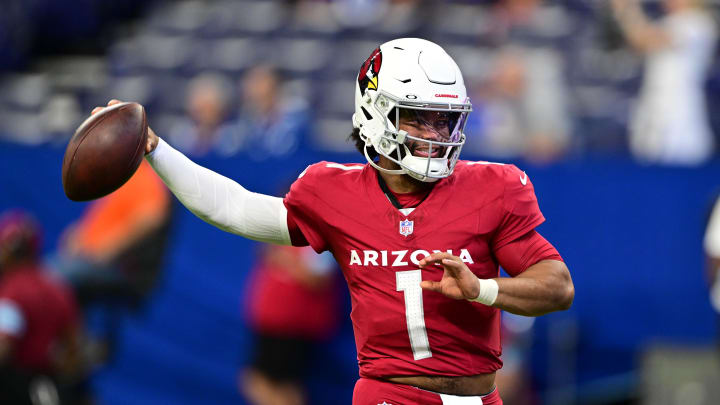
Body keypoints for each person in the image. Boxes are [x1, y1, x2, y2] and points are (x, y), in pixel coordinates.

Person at [93, 38, 574, 404]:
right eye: (419, 118)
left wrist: (484, 289)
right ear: (377, 113)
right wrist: (156, 150)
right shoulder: (332, 190)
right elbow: (235, 208)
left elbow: (557, 286)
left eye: (445, 121)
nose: (437, 135)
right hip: (390, 394)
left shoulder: (492, 187)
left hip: (479, 396)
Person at [611, 0, 718, 165]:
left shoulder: (698, 23)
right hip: (653, 101)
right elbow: (639, 42)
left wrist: (629, 10)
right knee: (649, 165)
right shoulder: (667, 23)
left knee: (683, 163)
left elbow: (651, 39)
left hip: (681, 106)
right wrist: (624, 10)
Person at [0, 210, 86, 405]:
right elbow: (73, 354)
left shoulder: (13, 291)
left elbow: (3, 346)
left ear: (7, 250)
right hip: (47, 389)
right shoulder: (60, 291)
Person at [241, 245, 340, 405]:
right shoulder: (285, 231)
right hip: (273, 320)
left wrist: (284, 260)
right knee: (266, 382)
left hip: (292, 323)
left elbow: (318, 279)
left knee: (277, 384)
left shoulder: (319, 239)